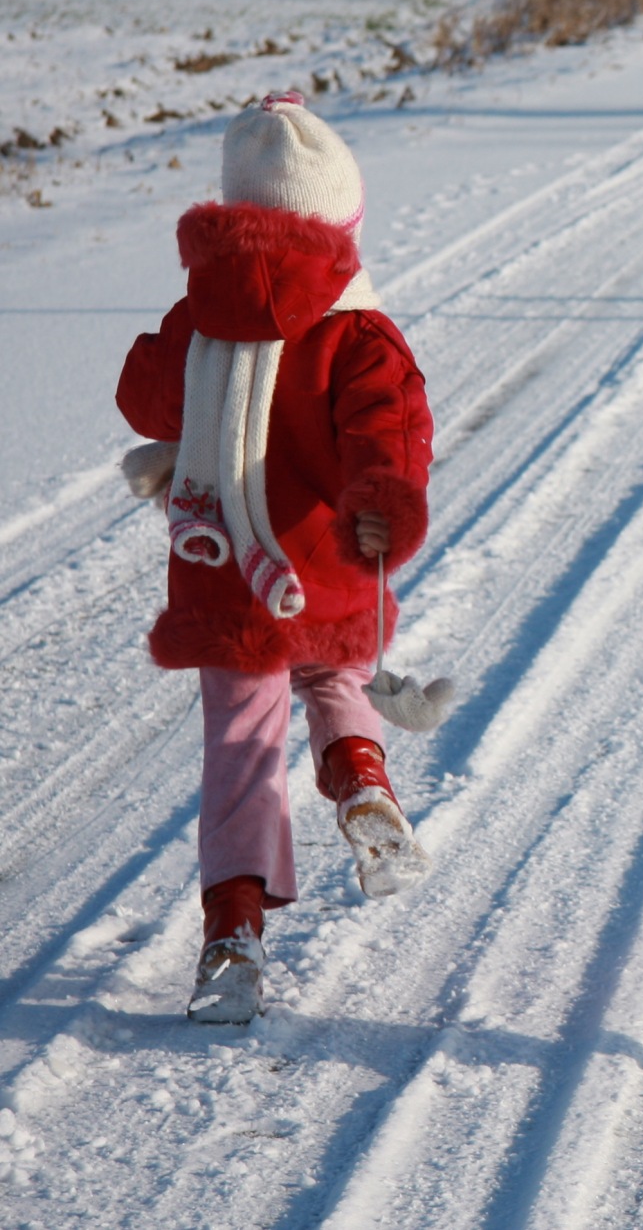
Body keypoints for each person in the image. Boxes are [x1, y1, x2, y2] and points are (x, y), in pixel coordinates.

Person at [116, 92, 436, 1024]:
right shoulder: (359, 330)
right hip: (328, 564)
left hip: (229, 577)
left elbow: (146, 401)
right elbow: (389, 430)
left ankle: (233, 938)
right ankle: (364, 783)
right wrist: (380, 505)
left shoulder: (201, 319)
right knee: (337, 671)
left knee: (243, 746)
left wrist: (176, 336)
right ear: (340, 224)